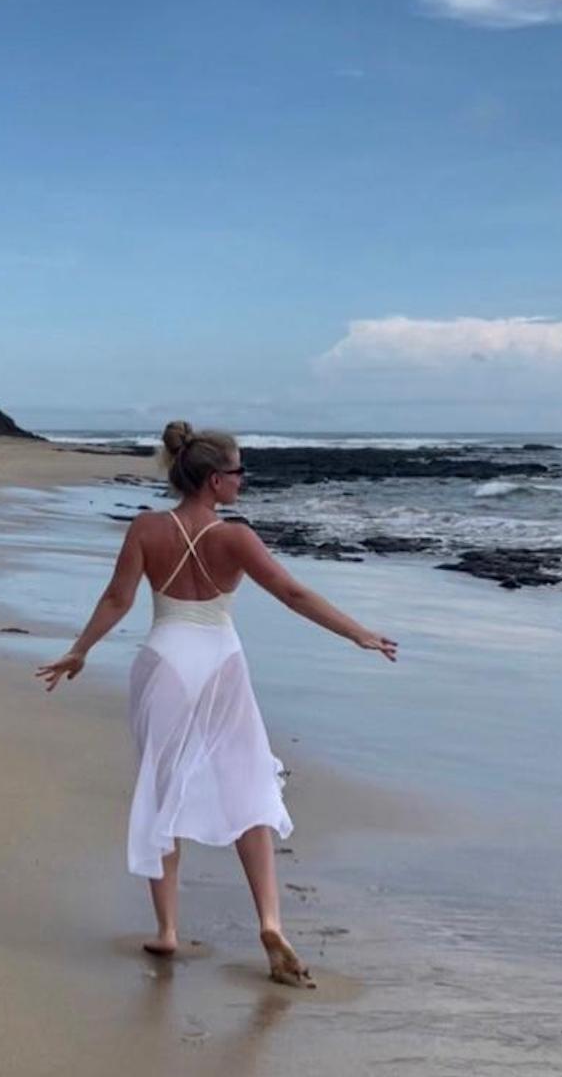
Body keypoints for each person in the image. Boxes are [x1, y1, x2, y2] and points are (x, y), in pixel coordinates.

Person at [38, 422, 397, 988]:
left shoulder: (146, 529)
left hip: (163, 662)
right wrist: (357, 633)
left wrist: (79, 650)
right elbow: (292, 592)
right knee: (248, 785)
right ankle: (271, 921)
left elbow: (117, 597)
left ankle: (167, 930)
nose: (243, 480)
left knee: (161, 790)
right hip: (221, 663)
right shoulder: (236, 537)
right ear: (213, 480)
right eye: (237, 472)